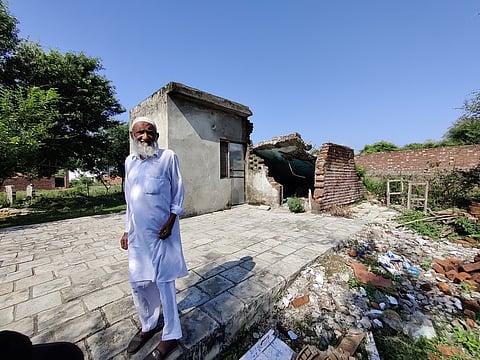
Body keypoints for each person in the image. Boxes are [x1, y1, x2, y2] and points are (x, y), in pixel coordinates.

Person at [121, 116, 188, 360]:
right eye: (140, 133)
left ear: (156, 136)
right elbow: (129, 199)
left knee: (164, 283)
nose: (145, 137)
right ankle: (149, 324)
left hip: (162, 234)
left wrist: (171, 222)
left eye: (150, 132)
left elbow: (178, 192)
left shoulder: (168, 158)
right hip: (138, 235)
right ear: (132, 136)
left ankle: (171, 334)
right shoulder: (129, 162)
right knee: (138, 282)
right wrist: (127, 229)